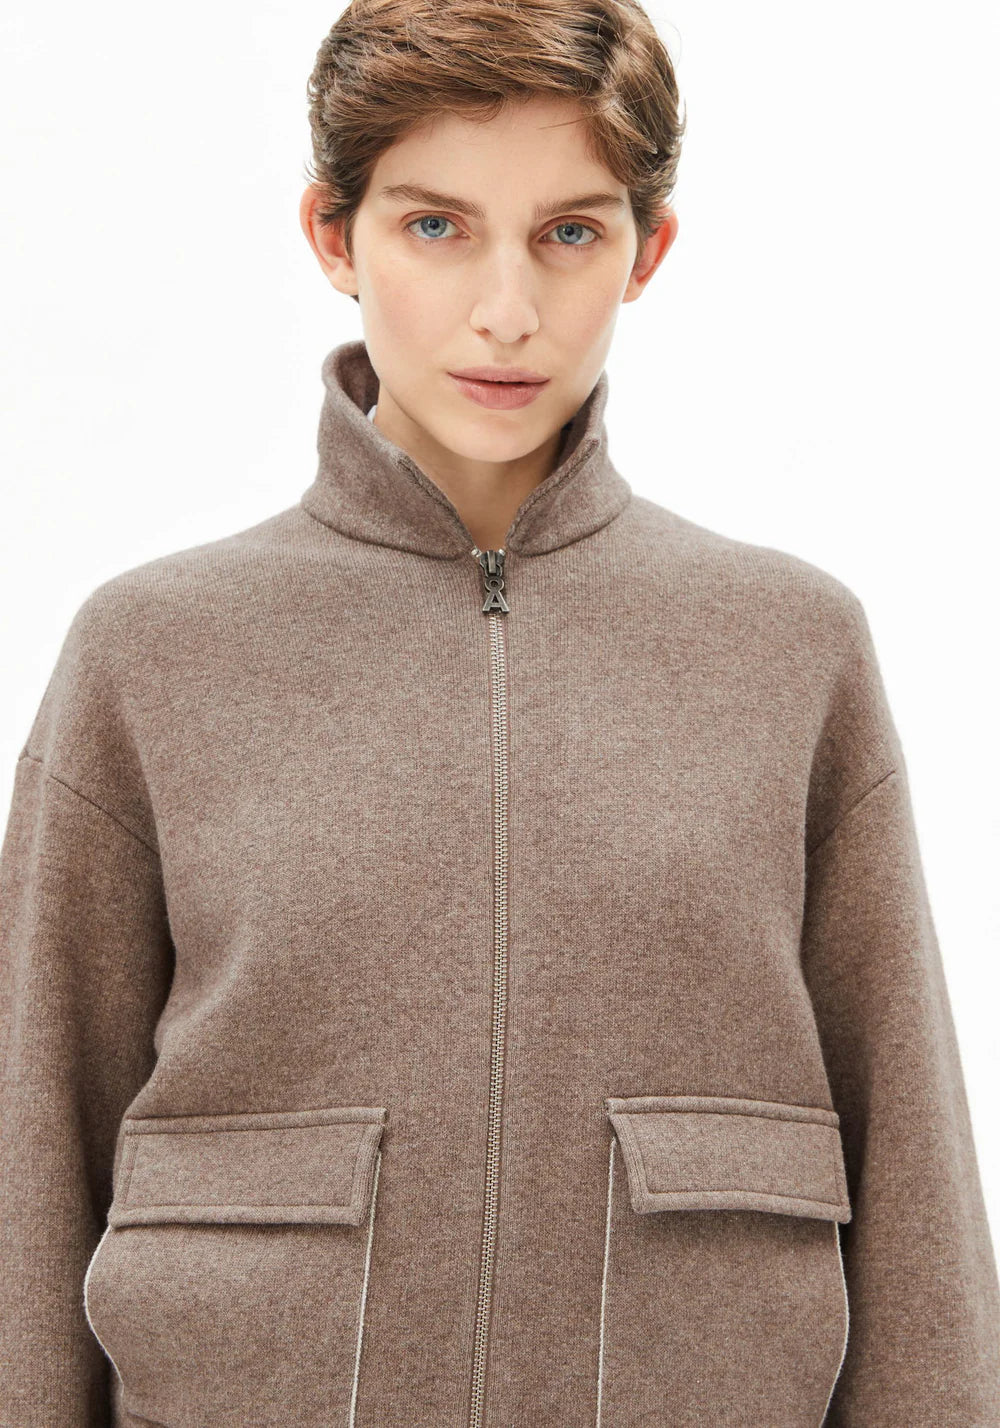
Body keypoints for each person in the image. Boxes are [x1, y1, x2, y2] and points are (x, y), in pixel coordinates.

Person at [1, 0, 998, 1423]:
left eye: (569, 232)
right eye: (436, 226)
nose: (506, 311)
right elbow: (29, 1157)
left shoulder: (792, 649)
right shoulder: (152, 652)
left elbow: (913, 1172)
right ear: (332, 236)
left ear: (648, 251)